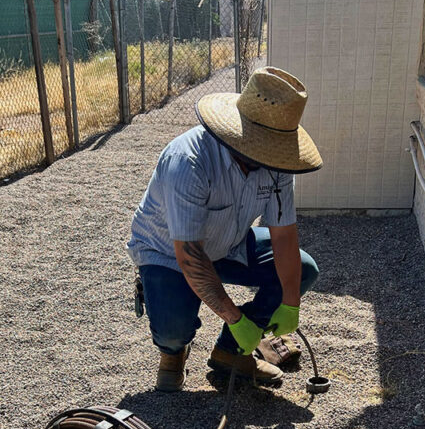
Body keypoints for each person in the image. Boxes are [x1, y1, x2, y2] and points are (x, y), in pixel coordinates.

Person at [127, 66, 323, 392]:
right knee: (174, 327)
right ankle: (173, 353)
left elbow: (284, 235)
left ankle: (230, 353)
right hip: (169, 254)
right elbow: (190, 257)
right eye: (263, 145)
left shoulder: (277, 162)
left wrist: (290, 302)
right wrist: (236, 319)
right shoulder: (188, 161)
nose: (269, 156)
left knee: (302, 269)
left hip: (229, 244)